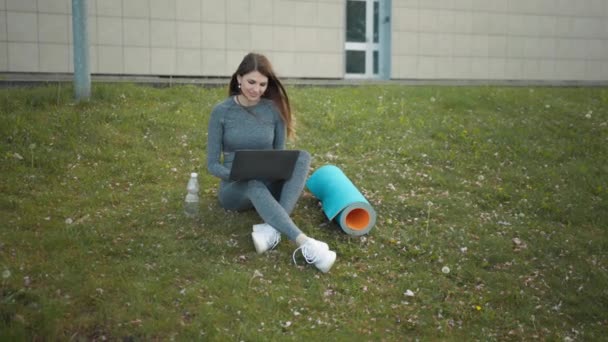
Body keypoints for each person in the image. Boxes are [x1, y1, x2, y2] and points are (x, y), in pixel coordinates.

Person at [206, 52, 336, 273]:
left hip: (267, 181)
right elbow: (212, 164)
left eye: (262, 84)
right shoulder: (221, 112)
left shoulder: (273, 110)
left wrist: (276, 172)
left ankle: (271, 228)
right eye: (251, 82)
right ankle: (306, 243)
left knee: (301, 157)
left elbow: (280, 156)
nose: (256, 89)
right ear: (238, 78)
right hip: (235, 187)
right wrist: (237, 173)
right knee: (253, 183)